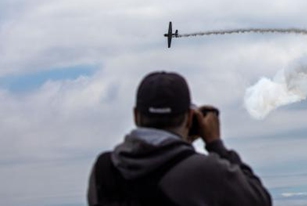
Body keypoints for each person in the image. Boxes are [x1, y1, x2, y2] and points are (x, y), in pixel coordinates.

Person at [87, 71, 272, 206]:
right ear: (190, 117)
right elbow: (259, 200)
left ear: (136, 116)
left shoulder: (103, 168)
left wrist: (179, 150)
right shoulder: (206, 171)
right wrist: (215, 144)